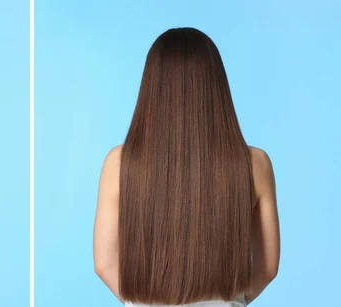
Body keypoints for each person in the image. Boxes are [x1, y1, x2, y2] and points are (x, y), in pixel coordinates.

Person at [93, 27, 280, 307]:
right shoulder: (255, 164)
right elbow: (267, 268)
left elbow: (104, 264)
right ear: (216, 86)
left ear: (152, 86)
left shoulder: (120, 163)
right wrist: (231, 301)